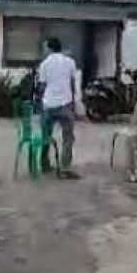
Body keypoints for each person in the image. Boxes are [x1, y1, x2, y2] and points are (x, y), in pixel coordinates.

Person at [37, 37, 81, 179]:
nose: (44, 50)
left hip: (49, 104)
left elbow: (42, 86)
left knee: (46, 136)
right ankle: (65, 168)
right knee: (68, 137)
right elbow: (73, 84)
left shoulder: (44, 64)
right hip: (65, 104)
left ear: (50, 48)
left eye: (45, 48)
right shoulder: (70, 62)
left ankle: (44, 164)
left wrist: (41, 102)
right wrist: (73, 102)